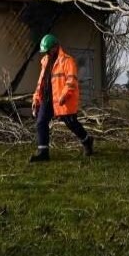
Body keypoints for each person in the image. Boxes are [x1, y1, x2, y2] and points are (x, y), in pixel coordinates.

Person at [29, 33, 94, 162]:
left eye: (48, 51)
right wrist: (36, 99)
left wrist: (64, 95)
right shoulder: (45, 61)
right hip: (47, 98)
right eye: (45, 51)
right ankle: (43, 153)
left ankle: (87, 141)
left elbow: (71, 81)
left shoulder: (68, 61)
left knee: (71, 123)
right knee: (41, 122)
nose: (47, 53)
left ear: (55, 47)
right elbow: (41, 82)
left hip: (63, 99)